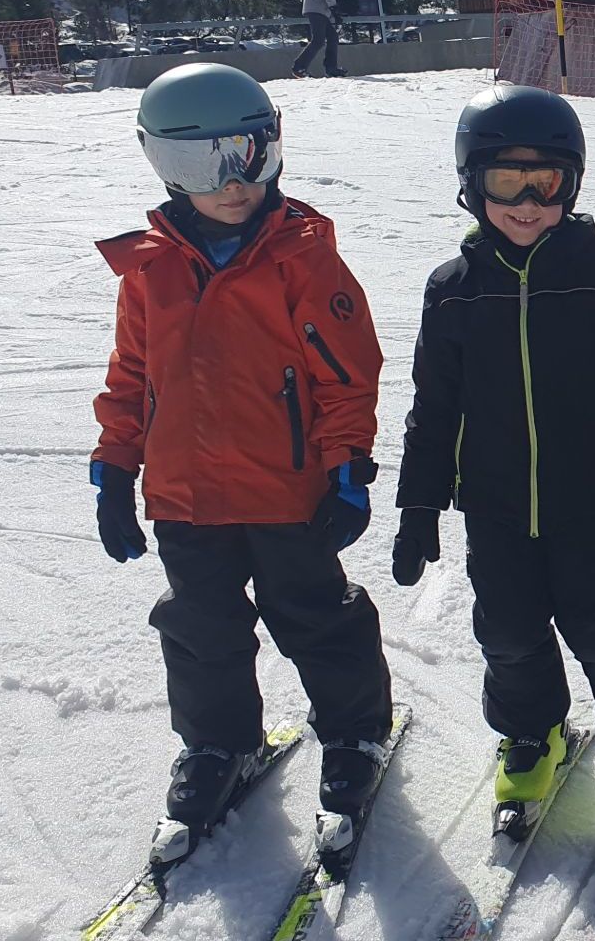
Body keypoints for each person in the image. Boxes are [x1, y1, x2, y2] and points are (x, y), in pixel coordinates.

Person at [390, 84, 595, 854]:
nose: (527, 204)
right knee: (507, 627)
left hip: (586, 499)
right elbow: (434, 408)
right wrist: (418, 507)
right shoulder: (454, 291)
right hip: (493, 503)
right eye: (508, 182)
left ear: (573, 183)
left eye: (547, 182)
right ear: (473, 184)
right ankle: (533, 734)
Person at [89, 62, 394, 840]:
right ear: (165, 165)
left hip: (285, 490)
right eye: (204, 165)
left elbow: (346, 376)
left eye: (249, 155)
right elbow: (131, 375)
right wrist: (116, 467)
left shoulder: (301, 258)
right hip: (185, 496)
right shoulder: (149, 269)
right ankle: (217, 742)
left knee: (315, 616)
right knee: (201, 628)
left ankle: (354, 732)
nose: (233, 183)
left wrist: (347, 469)